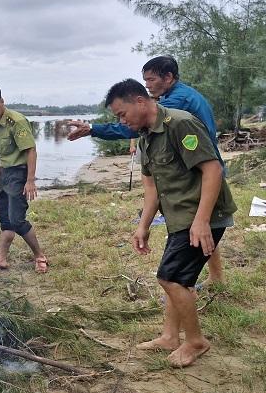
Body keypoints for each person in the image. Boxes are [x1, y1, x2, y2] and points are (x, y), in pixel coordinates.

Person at [104, 79, 237, 367]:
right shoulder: (145, 136)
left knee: (171, 277)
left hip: (205, 215)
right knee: (177, 276)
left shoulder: (180, 124)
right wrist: (143, 226)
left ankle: (196, 341)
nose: (122, 121)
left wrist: (201, 221)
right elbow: (151, 188)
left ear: (140, 101)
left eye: (122, 114)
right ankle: (170, 337)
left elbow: (212, 170)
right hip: (180, 217)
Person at [66, 56, 225, 290]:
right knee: (203, 231)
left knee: (192, 237)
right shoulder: (181, 95)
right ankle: (211, 278)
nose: (148, 85)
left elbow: (141, 124)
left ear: (168, 77)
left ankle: (182, 289)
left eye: (151, 80)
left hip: (196, 173)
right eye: (145, 80)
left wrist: (93, 128)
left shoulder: (176, 104)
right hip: (197, 169)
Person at [0, 86, 48, 273]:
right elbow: (5, 151)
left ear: (2, 101)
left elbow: (30, 150)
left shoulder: (16, 121)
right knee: (5, 219)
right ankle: (1, 259)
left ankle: (40, 256)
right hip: (4, 174)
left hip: (19, 174)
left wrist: (30, 180)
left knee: (17, 219)